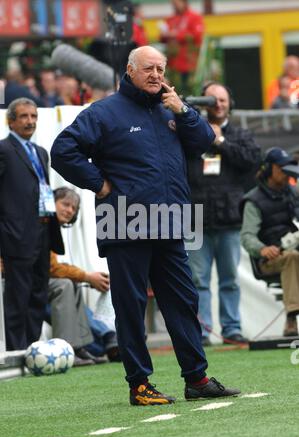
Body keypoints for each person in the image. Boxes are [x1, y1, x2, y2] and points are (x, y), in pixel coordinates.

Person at [51, 45, 241, 405]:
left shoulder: (172, 109)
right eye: (148, 68)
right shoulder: (105, 112)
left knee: (183, 301)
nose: (155, 75)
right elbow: (63, 150)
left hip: (171, 223)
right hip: (125, 221)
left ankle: (197, 379)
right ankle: (139, 384)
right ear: (130, 70)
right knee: (131, 305)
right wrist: (99, 183)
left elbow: (204, 142)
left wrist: (183, 111)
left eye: (160, 68)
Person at [187, 82, 261, 346]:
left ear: (230, 103)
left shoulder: (240, 134)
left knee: (229, 279)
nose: (217, 104)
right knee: (198, 280)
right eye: (211, 100)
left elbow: (252, 161)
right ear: (202, 103)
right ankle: (202, 332)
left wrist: (219, 141)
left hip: (230, 217)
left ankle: (231, 329)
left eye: (222, 100)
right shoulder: (191, 133)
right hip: (194, 217)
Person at [0, 97, 63, 350]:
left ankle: (33, 347)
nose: (30, 121)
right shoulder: (3, 149)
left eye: (34, 116)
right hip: (16, 233)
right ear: (10, 121)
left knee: (38, 292)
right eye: (24, 116)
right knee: (18, 294)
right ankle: (17, 350)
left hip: (43, 228)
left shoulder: (40, 152)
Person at [48, 186, 119, 365]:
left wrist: (83, 277)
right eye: (65, 204)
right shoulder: (42, 226)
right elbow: (52, 268)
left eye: (73, 208)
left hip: (37, 284)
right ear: (52, 203)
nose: (69, 210)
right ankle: (80, 345)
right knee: (65, 284)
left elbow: (53, 267)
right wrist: (87, 276)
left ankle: (84, 346)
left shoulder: (52, 229)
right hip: (21, 283)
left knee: (71, 283)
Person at [241, 147, 299, 337]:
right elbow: (247, 236)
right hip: (270, 259)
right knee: (292, 257)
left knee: (294, 256)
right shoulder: (253, 201)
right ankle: (292, 318)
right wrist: (263, 249)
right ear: (269, 169)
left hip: (294, 249)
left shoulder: (292, 193)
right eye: (282, 168)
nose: (286, 172)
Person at [159, 0, 204, 95]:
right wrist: (165, 35)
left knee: (189, 90)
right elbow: (162, 38)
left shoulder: (194, 17)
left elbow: (197, 35)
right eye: (173, 4)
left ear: (184, 2)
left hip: (189, 62)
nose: (175, 6)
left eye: (176, 4)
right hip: (173, 63)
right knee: (174, 90)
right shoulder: (170, 19)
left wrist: (176, 34)